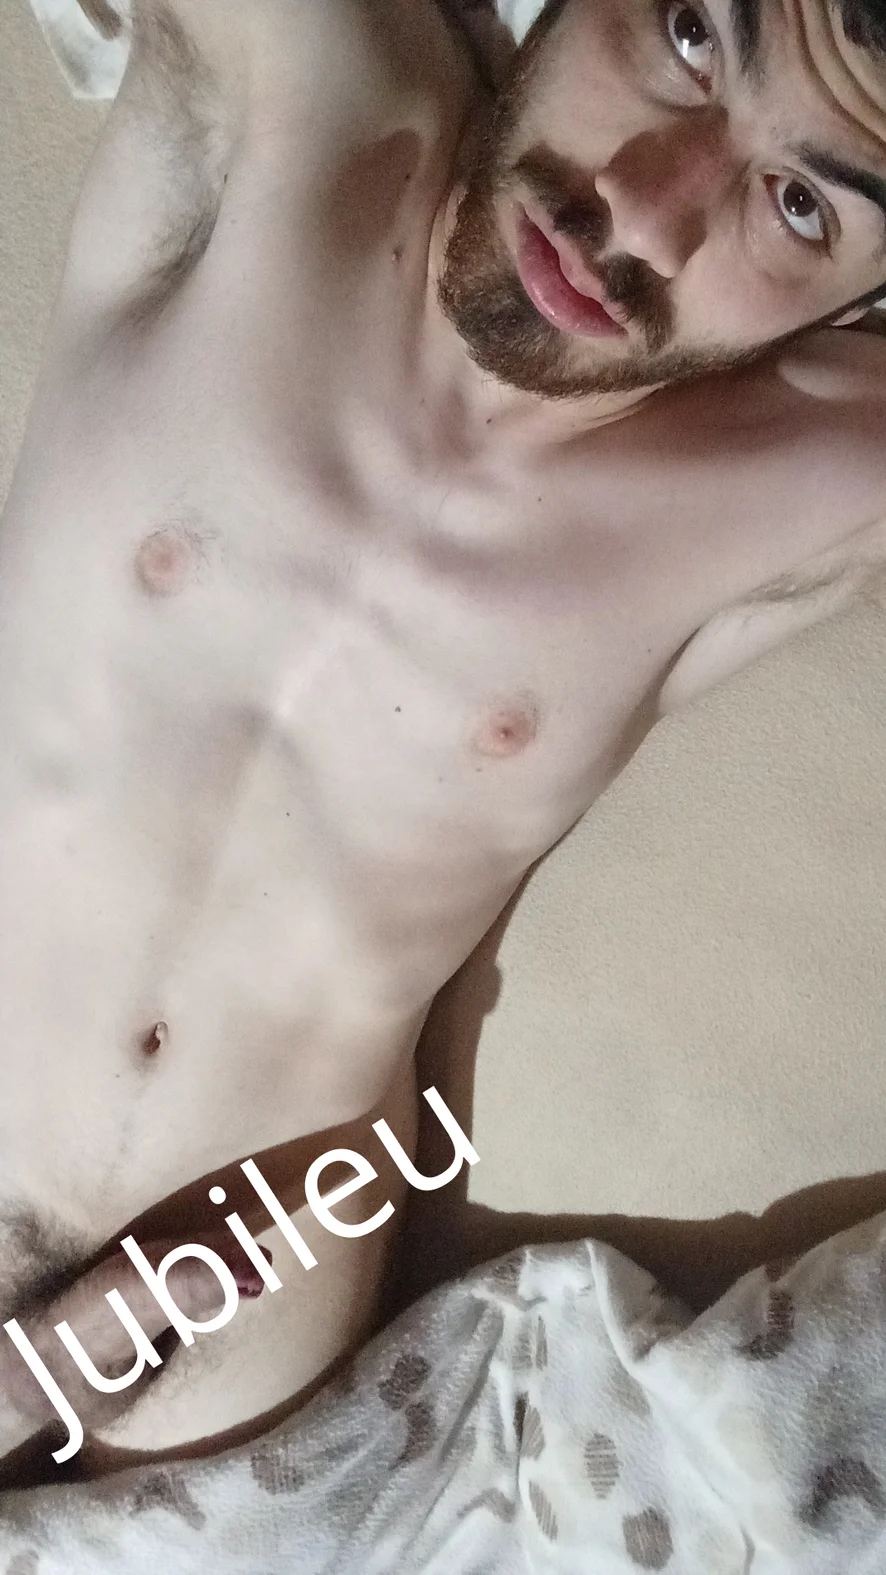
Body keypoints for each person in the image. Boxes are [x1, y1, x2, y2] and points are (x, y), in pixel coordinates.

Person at [1, 0, 885, 1482]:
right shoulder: (320, 94)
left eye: (801, 205)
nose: (641, 214)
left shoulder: (809, 470)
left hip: (240, 1361)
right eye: (688, 33)